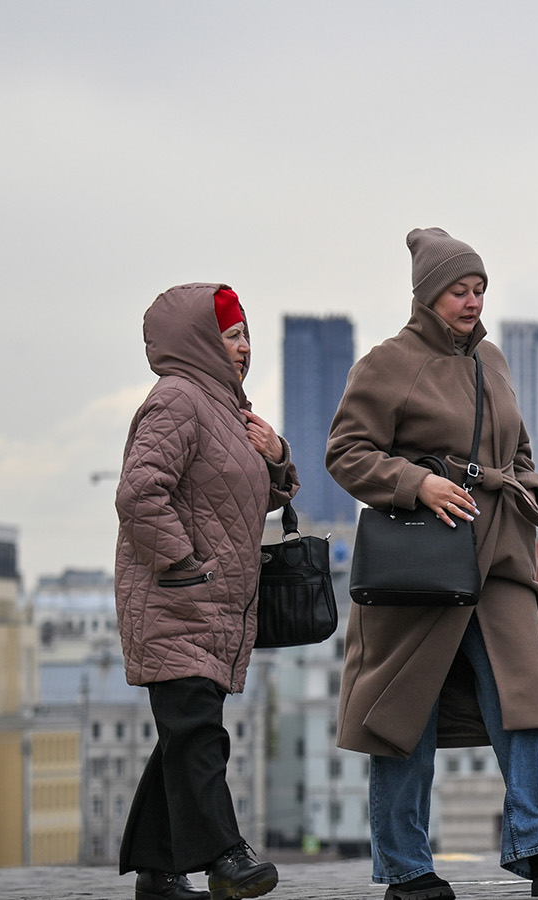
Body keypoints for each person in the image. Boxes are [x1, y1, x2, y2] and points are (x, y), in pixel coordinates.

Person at [326, 228, 538, 900]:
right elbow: (346, 453)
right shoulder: (387, 363)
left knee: (527, 697)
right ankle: (406, 868)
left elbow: (517, 446)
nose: (472, 299)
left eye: (479, 287)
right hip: (420, 563)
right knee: (405, 714)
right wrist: (418, 484)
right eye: (459, 289)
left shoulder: (493, 358)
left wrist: (528, 484)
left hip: (500, 558)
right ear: (428, 295)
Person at [115, 283, 299, 900]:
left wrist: (276, 458)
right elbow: (141, 494)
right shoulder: (176, 401)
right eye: (231, 335)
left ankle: (157, 870)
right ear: (199, 340)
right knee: (198, 732)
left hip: (213, 604)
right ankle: (226, 855)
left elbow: (236, 495)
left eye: (246, 335)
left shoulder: (223, 408)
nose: (243, 348)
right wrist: (182, 564)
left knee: (185, 733)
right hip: (179, 599)